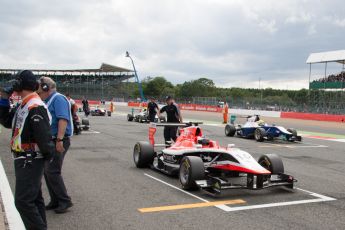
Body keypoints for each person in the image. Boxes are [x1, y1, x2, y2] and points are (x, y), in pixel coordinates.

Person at [0, 70, 54, 230]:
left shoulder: (35, 106)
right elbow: (7, 121)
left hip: (30, 159)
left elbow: (44, 138)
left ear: (19, 84)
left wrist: (45, 157)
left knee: (23, 202)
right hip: (26, 159)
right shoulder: (24, 104)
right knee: (35, 200)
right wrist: (4, 99)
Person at [37, 77, 74, 214]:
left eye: (39, 86)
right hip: (52, 140)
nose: (37, 89)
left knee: (52, 171)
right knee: (48, 171)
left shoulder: (58, 99)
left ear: (46, 87)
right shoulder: (47, 100)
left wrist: (59, 140)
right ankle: (55, 200)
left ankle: (65, 200)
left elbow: (62, 120)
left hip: (59, 140)